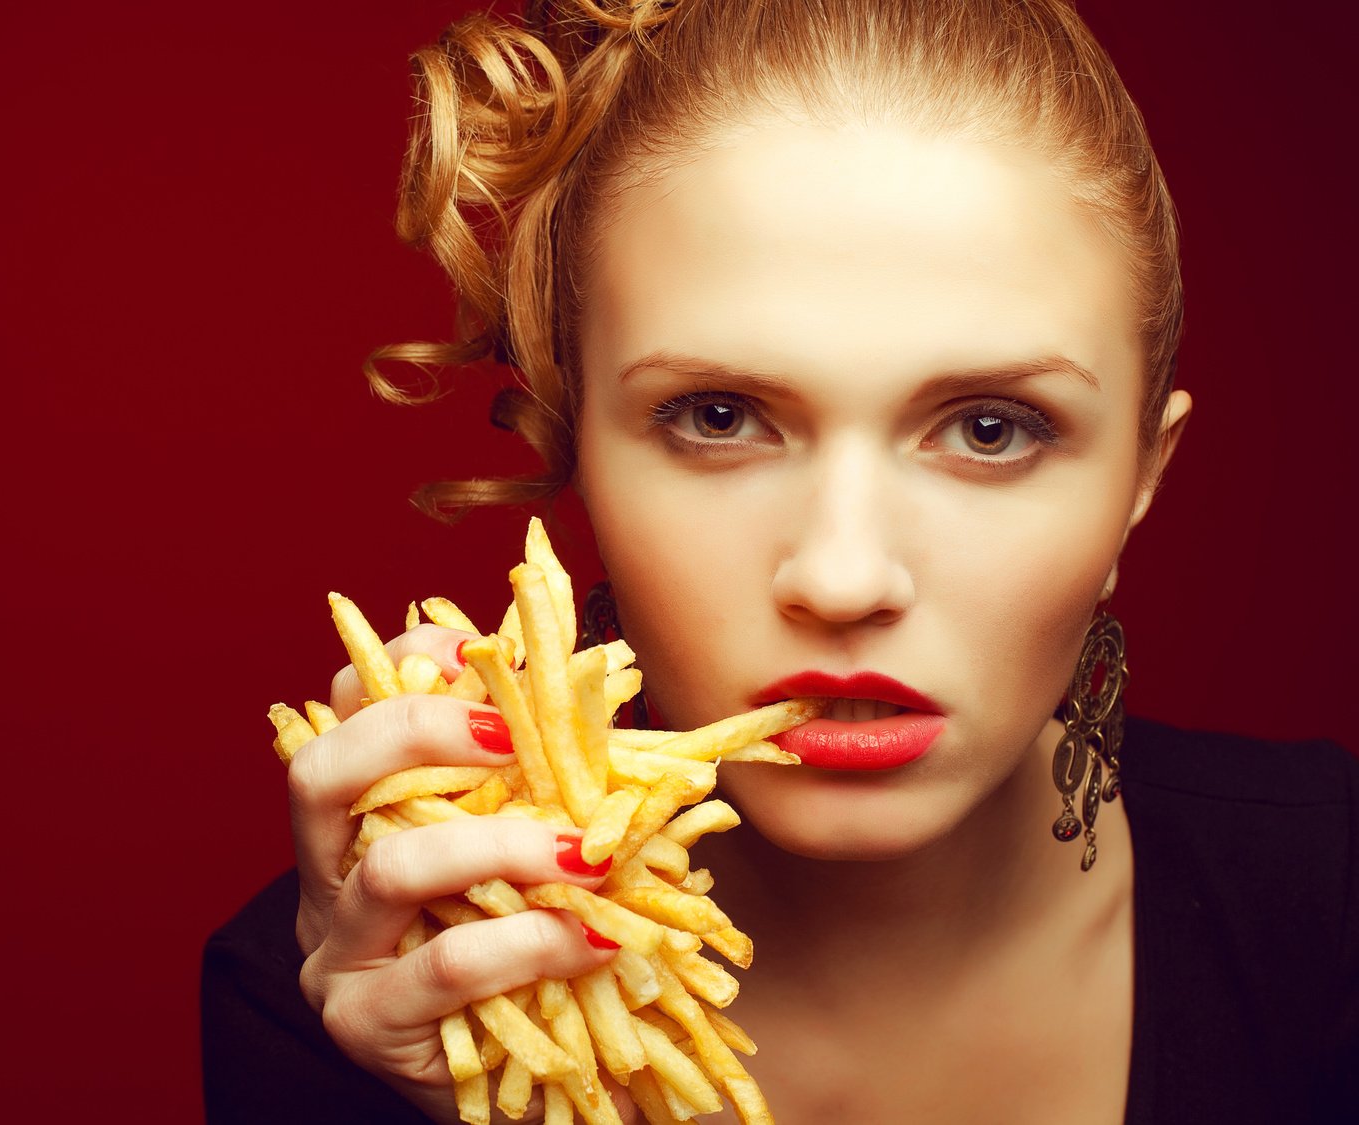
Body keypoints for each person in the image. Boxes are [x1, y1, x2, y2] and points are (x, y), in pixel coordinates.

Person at [202, 1, 1358, 1121]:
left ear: (1140, 478)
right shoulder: (339, 1009)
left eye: (989, 428)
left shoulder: (1330, 909)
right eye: (716, 416)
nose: (844, 578)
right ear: (572, 450)